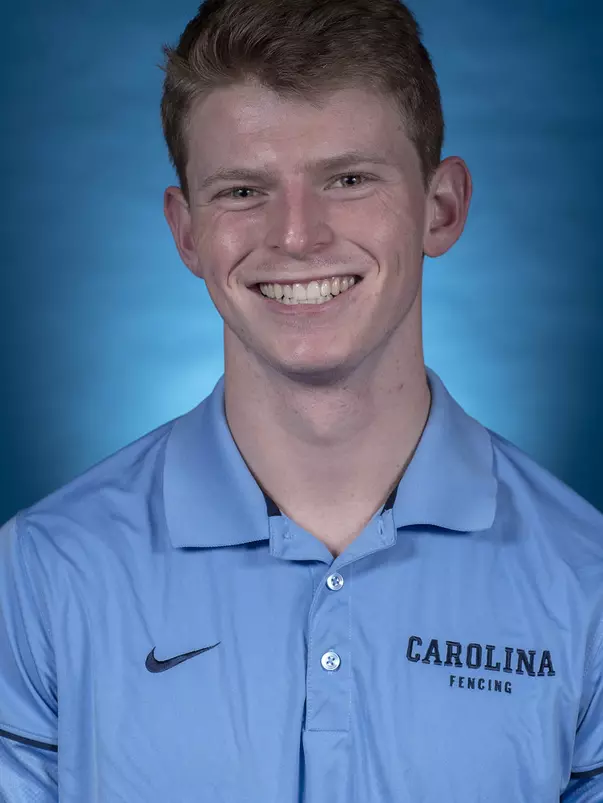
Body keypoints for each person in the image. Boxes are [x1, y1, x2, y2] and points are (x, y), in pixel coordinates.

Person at [1, 0, 602, 800]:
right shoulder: (38, 577)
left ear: (440, 206)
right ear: (186, 233)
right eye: (244, 190)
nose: (295, 235)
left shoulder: (587, 584)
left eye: (348, 178)